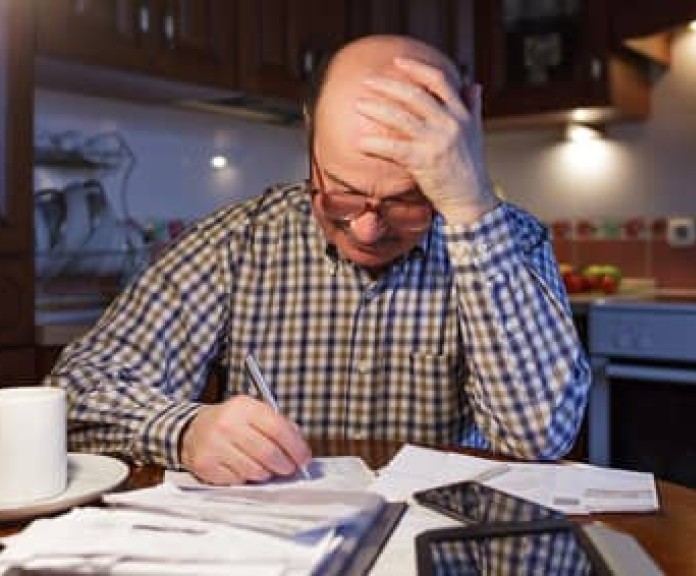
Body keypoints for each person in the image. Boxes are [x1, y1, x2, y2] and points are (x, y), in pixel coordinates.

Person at [46, 34, 591, 485]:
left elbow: (538, 439)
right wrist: (184, 431)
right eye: (343, 192)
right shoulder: (239, 241)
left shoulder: (509, 238)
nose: (368, 227)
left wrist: (469, 207)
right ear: (310, 131)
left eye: (408, 199)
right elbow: (72, 395)